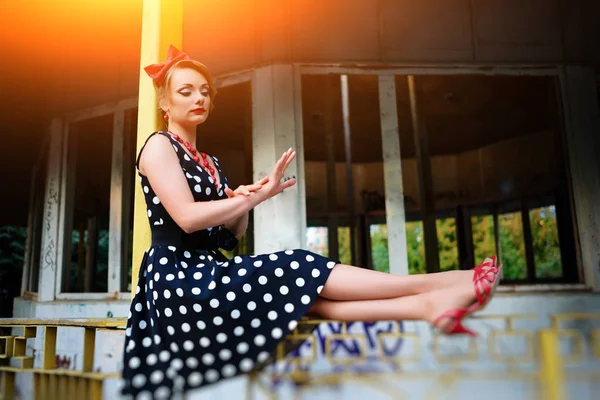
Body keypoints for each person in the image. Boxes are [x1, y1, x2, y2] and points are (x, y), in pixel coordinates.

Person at [121, 45, 502, 398]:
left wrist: (240, 203)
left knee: (309, 298)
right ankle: (449, 281)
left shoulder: (211, 162)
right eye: (186, 91)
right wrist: (259, 195)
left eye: (204, 90)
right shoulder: (158, 145)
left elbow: (226, 237)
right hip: (178, 281)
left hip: (208, 268)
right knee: (298, 265)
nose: (199, 97)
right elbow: (187, 220)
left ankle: (428, 307)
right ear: (164, 102)